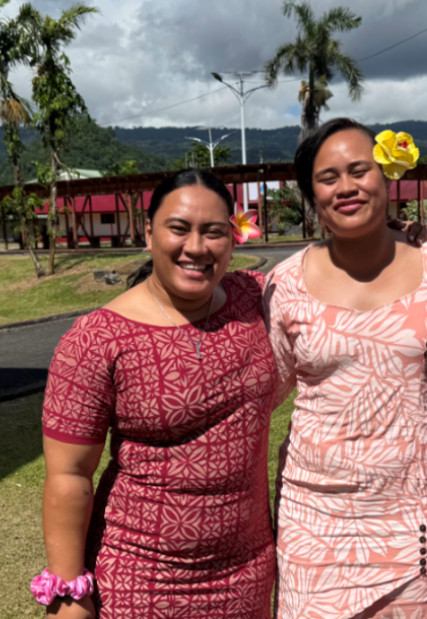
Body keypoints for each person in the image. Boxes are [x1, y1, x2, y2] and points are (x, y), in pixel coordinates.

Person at [37, 169, 279, 619]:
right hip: (140, 579)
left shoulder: (254, 299)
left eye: (213, 232)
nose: (196, 248)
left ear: (232, 237)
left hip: (247, 573)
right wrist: (70, 594)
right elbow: (69, 475)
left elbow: (332, 276)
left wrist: (402, 236)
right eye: (179, 229)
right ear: (149, 234)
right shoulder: (96, 339)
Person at [266, 118, 427, 618]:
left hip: (418, 518)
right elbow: (266, 390)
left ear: (386, 176)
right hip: (315, 522)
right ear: (311, 194)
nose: (346, 187)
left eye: (359, 170)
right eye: (328, 177)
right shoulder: (284, 283)